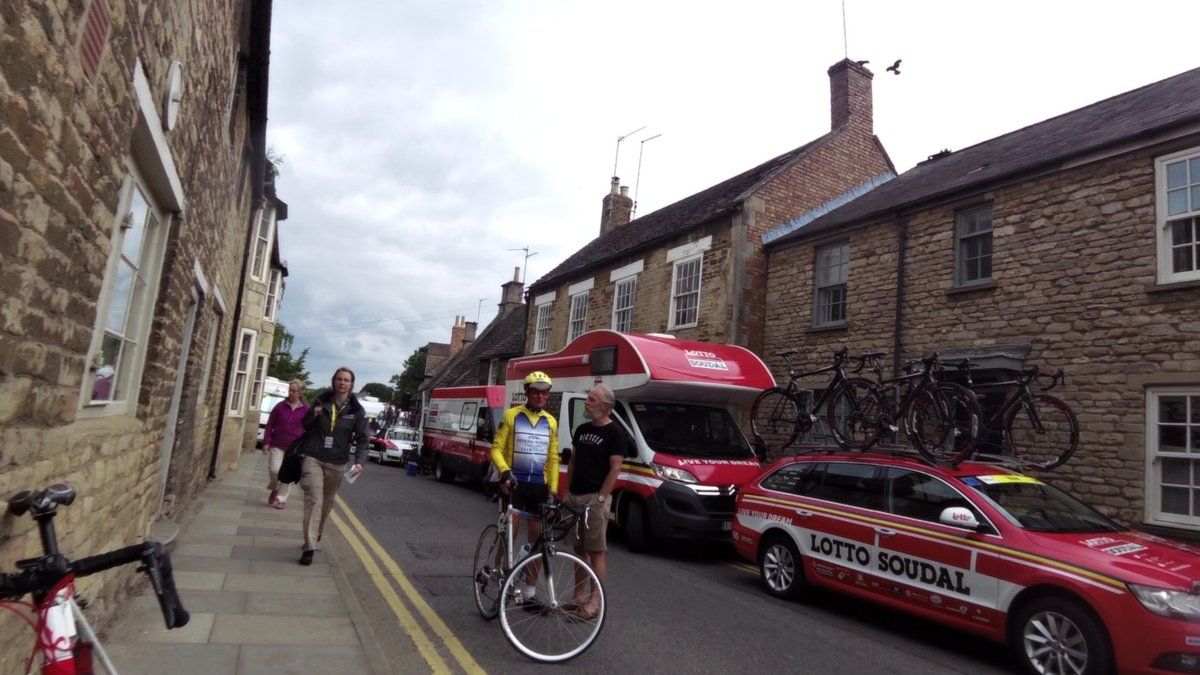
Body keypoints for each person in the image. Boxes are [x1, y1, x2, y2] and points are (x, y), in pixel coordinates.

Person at [490, 370, 559, 606]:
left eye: (544, 392)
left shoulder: (550, 421)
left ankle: (529, 590)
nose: (540, 396)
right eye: (536, 392)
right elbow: (496, 449)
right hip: (514, 484)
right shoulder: (511, 416)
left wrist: (553, 492)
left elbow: (552, 459)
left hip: (538, 486)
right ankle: (500, 574)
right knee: (508, 535)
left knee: (538, 541)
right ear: (527, 392)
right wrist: (504, 471)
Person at [564, 384, 626, 620]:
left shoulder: (616, 433)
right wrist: (567, 492)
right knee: (578, 550)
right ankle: (577, 596)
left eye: (591, 399)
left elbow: (615, 468)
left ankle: (593, 600)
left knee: (596, 551)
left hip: (594, 498)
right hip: (575, 495)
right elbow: (573, 463)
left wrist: (601, 498)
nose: (586, 402)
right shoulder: (581, 430)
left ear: (605, 406)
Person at [298, 367, 368, 566]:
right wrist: (314, 415)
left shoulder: (357, 411)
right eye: (339, 379)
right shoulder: (321, 402)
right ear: (333, 381)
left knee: (326, 504)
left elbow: (363, 439)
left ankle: (315, 534)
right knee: (314, 499)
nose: (342, 382)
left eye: (346, 380)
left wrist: (360, 462)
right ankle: (309, 546)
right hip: (314, 456)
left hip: (337, 463)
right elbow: (305, 425)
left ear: (351, 384)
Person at [261, 379, 308, 510]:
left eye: (294, 391)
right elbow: (270, 425)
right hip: (277, 444)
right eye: (290, 390)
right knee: (274, 470)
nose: (291, 393)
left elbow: (309, 428)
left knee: (287, 475)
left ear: (301, 392)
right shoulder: (280, 406)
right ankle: (275, 488)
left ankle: (281, 499)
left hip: (294, 449)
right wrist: (266, 442)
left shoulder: (305, 409)